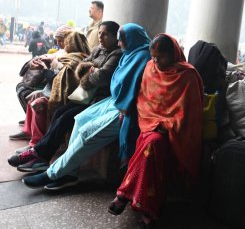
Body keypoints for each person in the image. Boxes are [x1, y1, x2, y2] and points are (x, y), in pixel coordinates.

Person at [22, 23, 151, 190]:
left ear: (132, 39)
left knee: (87, 132)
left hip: (126, 108)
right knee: (79, 119)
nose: (119, 44)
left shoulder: (142, 57)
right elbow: (114, 82)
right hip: (114, 99)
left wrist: (94, 71)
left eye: (121, 40)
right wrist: (93, 71)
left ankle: (51, 174)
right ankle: (69, 173)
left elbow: (110, 79)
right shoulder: (129, 54)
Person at [107, 34, 204, 227]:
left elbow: (191, 112)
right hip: (150, 123)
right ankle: (146, 206)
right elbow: (145, 101)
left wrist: (168, 125)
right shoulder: (150, 68)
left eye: (161, 57)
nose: (157, 61)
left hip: (177, 131)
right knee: (152, 144)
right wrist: (155, 123)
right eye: (153, 57)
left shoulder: (187, 74)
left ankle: (124, 195)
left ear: (173, 54)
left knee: (153, 144)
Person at [8, 21, 123, 172]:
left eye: (105, 34)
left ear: (116, 37)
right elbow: (83, 67)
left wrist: (89, 71)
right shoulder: (97, 50)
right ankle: (40, 152)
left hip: (98, 100)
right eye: (100, 33)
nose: (101, 37)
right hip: (86, 97)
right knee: (59, 112)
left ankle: (39, 154)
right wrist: (90, 70)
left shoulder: (116, 54)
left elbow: (101, 77)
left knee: (66, 118)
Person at [9, 31, 89, 153]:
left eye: (64, 41)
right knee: (33, 98)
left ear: (71, 43)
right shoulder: (67, 56)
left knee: (38, 103)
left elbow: (60, 81)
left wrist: (46, 68)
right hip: (56, 91)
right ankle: (30, 134)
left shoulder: (73, 60)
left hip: (66, 96)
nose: (60, 44)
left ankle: (36, 143)